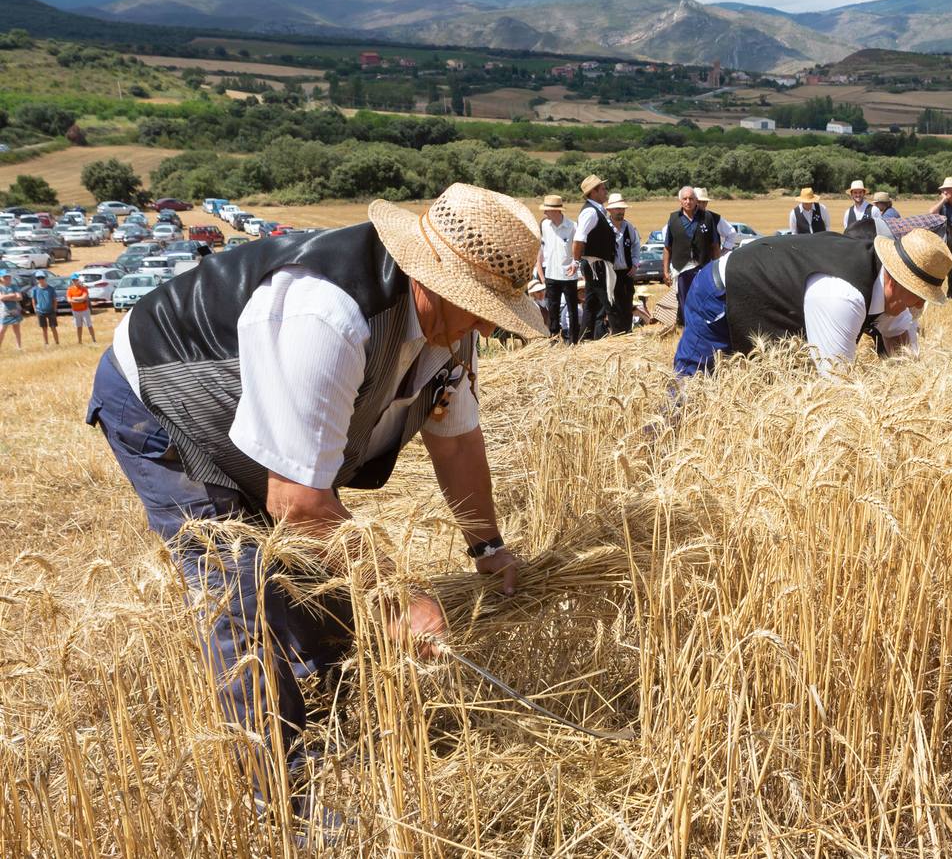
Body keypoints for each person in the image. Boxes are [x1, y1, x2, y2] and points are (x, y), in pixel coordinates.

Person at [85, 183, 549, 822]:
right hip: (171, 410)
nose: (493, 325)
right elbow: (299, 503)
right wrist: (397, 596)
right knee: (240, 596)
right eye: (484, 308)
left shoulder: (451, 330)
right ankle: (288, 796)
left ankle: (341, 712)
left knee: (321, 581)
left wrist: (487, 545)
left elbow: (455, 437)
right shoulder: (326, 314)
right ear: (431, 282)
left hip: (270, 440)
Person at [673, 227, 952, 378]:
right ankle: (654, 449)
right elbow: (834, 384)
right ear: (896, 279)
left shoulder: (889, 285)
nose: (918, 307)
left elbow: (900, 338)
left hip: (772, 304)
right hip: (723, 292)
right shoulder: (843, 296)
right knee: (693, 387)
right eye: (919, 295)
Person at [661, 185, 720, 327]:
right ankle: (688, 329)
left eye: (691, 199)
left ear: (696, 201)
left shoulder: (707, 217)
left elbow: (715, 245)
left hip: (702, 266)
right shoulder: (673, 218)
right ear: (680, 201)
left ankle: (704, 327)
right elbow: (667, 247)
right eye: (685, 199)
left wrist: (717, 267)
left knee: (703, 298)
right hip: (681, 267)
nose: (688, 202)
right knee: (684, 300)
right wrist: (665, 271)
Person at [572, 175, 617, 341]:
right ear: (594, 192)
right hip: (596, 266)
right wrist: (575, 261)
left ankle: (584, 338)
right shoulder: (590, 212)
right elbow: (579, 238)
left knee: (591, 304)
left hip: (597, 264)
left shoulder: (597, 210)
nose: (605, 191)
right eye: (602, 188)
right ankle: (619, 337)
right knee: (609, 301)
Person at [536, 194, 581, 343]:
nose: (544, 213)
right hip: (551, 275)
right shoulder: (544, 226)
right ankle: (554, 339)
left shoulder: (572, 226)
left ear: (556, 211)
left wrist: (576, 264)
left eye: (547, 210)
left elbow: (579, 248)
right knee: (553, 310)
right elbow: (542, 250)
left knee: (572, 309)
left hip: (568, 275)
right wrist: (542, 276)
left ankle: (574, 340)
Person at [605, 193, 639, 335]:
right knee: (613, 304)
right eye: (617, 209)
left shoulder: (629, 227)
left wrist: (635, 264)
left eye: (622, 209)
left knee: (627, 302)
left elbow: (636, 246)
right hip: (610, 272)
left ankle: (627, 331)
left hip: (626, 272)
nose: (620, 212)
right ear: (610, 210)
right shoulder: (605, 228)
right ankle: (617, 333)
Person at [694, 188, 736, 252]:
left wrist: (723, 252)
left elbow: (731, 233)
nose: (701, 204)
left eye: (704, 202)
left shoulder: (715, 218)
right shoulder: (683, 217)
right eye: (698, 202)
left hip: (710, 260)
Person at [30, 270, 59, 346]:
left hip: (50, 310)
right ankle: (46, 343)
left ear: (45, 278)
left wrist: (55, 309)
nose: (40, 279)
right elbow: (33, 300)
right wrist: (35, 309)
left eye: (42, 277)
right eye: (38, 278)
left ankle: (57, 342)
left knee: (53, 327)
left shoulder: (51, 289)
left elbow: (55, 299)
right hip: (40, 311)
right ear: (37, 279)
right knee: (44, 328)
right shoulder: (35, 289)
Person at [66, 274, 95, 343]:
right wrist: (78, 300)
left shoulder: (83, 288)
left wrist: (74, 298)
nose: (74, 281)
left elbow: (84, 297)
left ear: (78, 280)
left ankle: (94, 339)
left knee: (89, 325)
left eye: (76, 279)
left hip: (85, 310)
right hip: (75, 311)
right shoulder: (70, 289)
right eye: (73, 280)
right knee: (78, 326)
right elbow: (69, 300)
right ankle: (79, 341)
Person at [0, 272, 23, 350]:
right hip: (4, 311)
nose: (7, 279)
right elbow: (1, 298)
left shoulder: (14, 286)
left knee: (16, 329)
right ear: (1, 279)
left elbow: (20, 297)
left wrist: (6, 298)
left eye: (8, 277)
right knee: (2, 330)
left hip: (15, 310)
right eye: (5, 277)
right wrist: (12, 295)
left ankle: (19, 347)